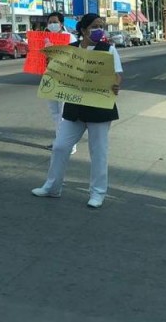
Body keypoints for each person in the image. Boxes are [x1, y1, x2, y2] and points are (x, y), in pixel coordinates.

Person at [32, 13, 123, 208]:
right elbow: (59, 72)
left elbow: (117, 76)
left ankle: (98, 193)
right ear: (83, 30)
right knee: (60, 146)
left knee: (98, 152)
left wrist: (115, 85)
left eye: (102, 26)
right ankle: (52, 187)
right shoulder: (70, 50)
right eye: (95, 26)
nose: (100, 30)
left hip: (99, 107)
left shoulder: (108, 50)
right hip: (75, 107)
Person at [43, 11, 79, 154]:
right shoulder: (44, 38)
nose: (52, 24)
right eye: (50, 22)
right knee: (55, 112)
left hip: (65, 79)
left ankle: (70, 145)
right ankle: (59, 141)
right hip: (50, 79)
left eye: (54, 22)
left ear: (61, 23)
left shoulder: (69, 38)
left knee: (64, 113)